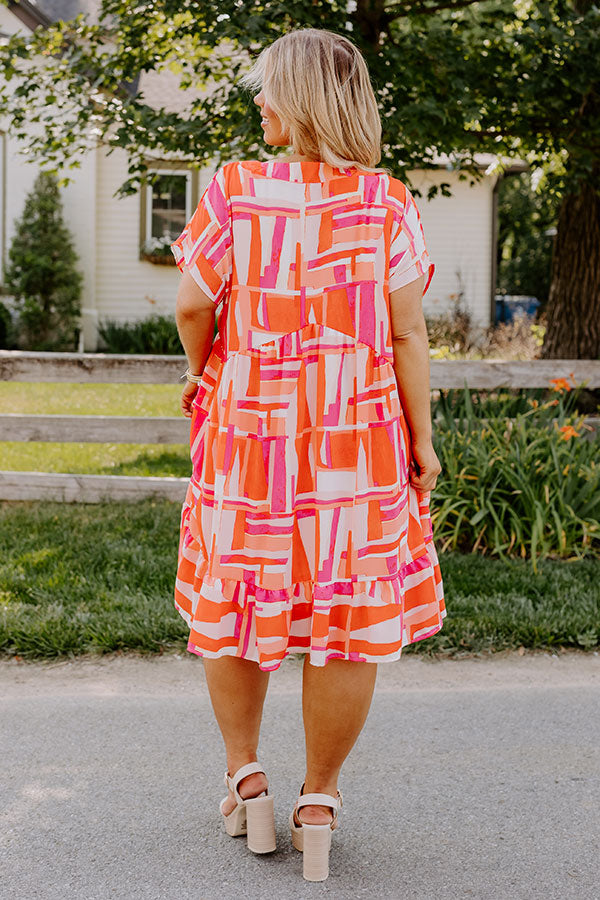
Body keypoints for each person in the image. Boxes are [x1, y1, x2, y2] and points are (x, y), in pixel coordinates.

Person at [170, 26, 446, 883]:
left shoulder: (235, 191)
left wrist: (201, 373)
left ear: (299, 102)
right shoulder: (387, 204)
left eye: (268, 90)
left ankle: (245, 778)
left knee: (239, 597)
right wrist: (423, 442)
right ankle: (317, 802)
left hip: (249, 433)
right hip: (355, 443)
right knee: (346, 620)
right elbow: (405, 332)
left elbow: (190, 305)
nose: (259, 103)